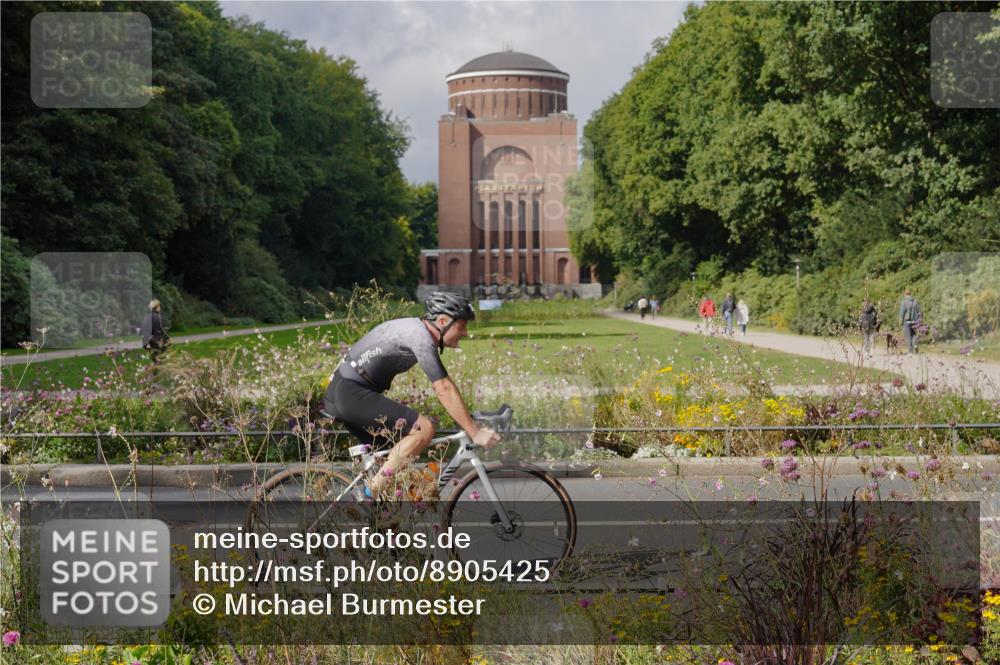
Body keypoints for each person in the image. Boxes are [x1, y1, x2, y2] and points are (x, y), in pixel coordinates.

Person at [324, 292, 500, 496]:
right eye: (462, 326)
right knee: (423, 429)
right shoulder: (419, 336)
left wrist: (470, 421)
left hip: (350, 392)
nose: (466, 333)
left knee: (400, 478)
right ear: (442, 321)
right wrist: (474, 432)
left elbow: (446, 384)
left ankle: (381, 517)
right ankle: (370, 494)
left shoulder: (418, 332)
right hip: (349, 393)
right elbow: (443, 388)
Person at [140, 300, 170, 364]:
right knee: (159, 360)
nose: (160, 308)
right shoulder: (159, 317)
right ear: (157, 307)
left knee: (153, 359)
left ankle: (153, 372)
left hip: (148, 342)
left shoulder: (146, 317)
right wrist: (167, 341)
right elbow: (164, 331)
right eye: (159, 306)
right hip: (157, 341)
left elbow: (142, 331)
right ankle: (156, 372)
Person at [898, 288, 922, 354]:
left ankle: (910, 351)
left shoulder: (904, 301)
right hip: (915, 321)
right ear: (910, 294)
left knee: (908, 336)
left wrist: (900, 321)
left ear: (905, 294)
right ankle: (915, 345)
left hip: (907, 321)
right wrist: (919, 320)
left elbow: (901, 312)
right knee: (914, 334)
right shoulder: (915, 301)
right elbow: (919, 311)